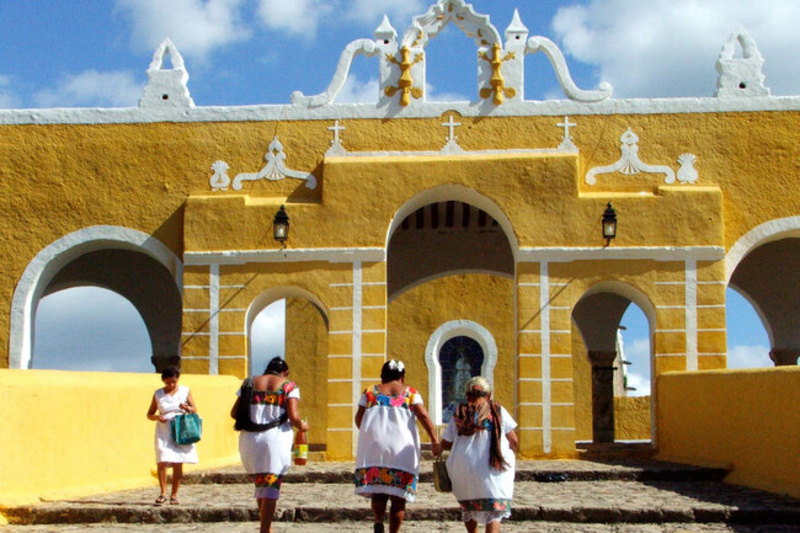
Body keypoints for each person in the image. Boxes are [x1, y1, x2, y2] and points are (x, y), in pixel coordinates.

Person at [354, 359, 439, 533]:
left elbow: (359, 418)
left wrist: (370, 431)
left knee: (378, 491)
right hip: (401, 451)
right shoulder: (411, 394)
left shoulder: (370, 393)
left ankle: (378, 520)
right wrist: (434, 439)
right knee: (399, 497)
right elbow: (423, 415)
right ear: (402, 376)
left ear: (382, 376)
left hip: (375, 450)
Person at [230, 357, 309, 533]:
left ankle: (267, 527)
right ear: (285, 373)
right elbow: (294, 416)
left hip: (249, 441)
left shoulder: (249, 383)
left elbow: (234, 413)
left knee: (261, 484)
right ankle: (265, 530)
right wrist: (303, 426)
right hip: (275, 439)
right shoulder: (289, 386)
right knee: (271, 485)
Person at [433, 376, 518, 533]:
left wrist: (437, 448)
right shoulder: (497, 411)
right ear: (489, 394)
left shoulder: (460, 413)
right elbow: (513, 440)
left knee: (469, 506)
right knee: (494, 510)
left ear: (467, 395)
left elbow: (446, 443)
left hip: (463, 467)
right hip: (491, 468)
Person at [146, 365, 198, 505]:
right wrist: (157, 417)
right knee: (162, 459)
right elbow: (149, 414)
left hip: (180, 428)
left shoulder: (185, 391)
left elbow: (194, 409)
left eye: (174, 381)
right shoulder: (158, 394)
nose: (171, 385)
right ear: (163, 380)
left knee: (177, 461)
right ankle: (163, 492)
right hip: (164, 429)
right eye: (168, 382)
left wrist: (186, 407)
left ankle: (174, 494)